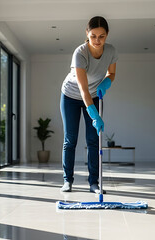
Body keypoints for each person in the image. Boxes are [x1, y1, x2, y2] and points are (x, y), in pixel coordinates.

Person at [60, 16, 118, 194]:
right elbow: (83, 88)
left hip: (94, 95)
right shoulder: (80, 53)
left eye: (101, 36)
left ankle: (94, 183)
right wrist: (94, 114)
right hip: (71, 95)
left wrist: (106, 82)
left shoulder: (111, 51)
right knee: (71, 140)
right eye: (93, 36)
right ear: (87, 33)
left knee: (94, 140)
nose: (97, 40)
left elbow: (112, 73)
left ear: (107, 35)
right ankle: (67, 181)